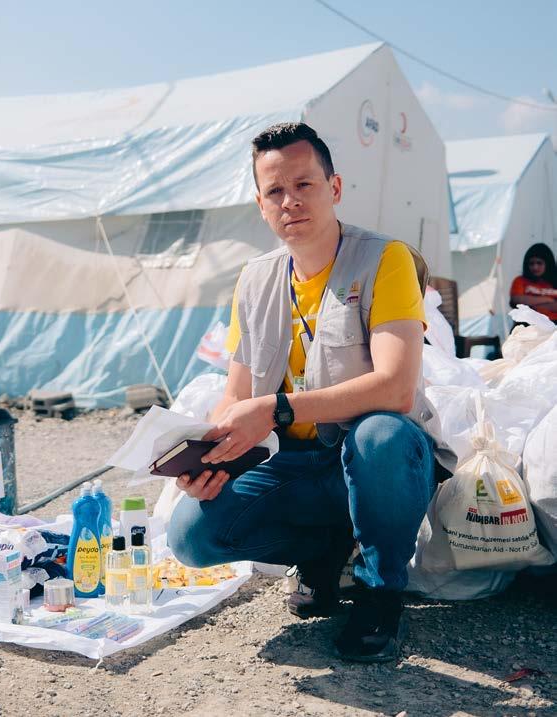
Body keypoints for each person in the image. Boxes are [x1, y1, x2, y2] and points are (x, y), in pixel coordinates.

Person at [168, 122, 455, 663]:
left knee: (381, 434)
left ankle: (379, 592)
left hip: (373, 461)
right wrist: (204, 458)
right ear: (260, 204)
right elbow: (236, 394)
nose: (290, 201)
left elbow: (396, 388)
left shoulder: (384, 259)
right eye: (275, 190)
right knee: (191, 536)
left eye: (304, 184)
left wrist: (276, 408)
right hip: (295, 463)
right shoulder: (255, 279)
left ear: (335, 188)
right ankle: (323, 555)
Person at [509, 243, 557, 324]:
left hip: (554, 323)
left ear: (548, 264)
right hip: (528, 324)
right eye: (531, 263)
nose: (535, 267)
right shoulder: (520, 280)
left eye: (539, 263)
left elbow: (523, 303)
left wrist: (530, 304)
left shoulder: (554, 282)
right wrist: (548, 300)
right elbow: (516, 300)